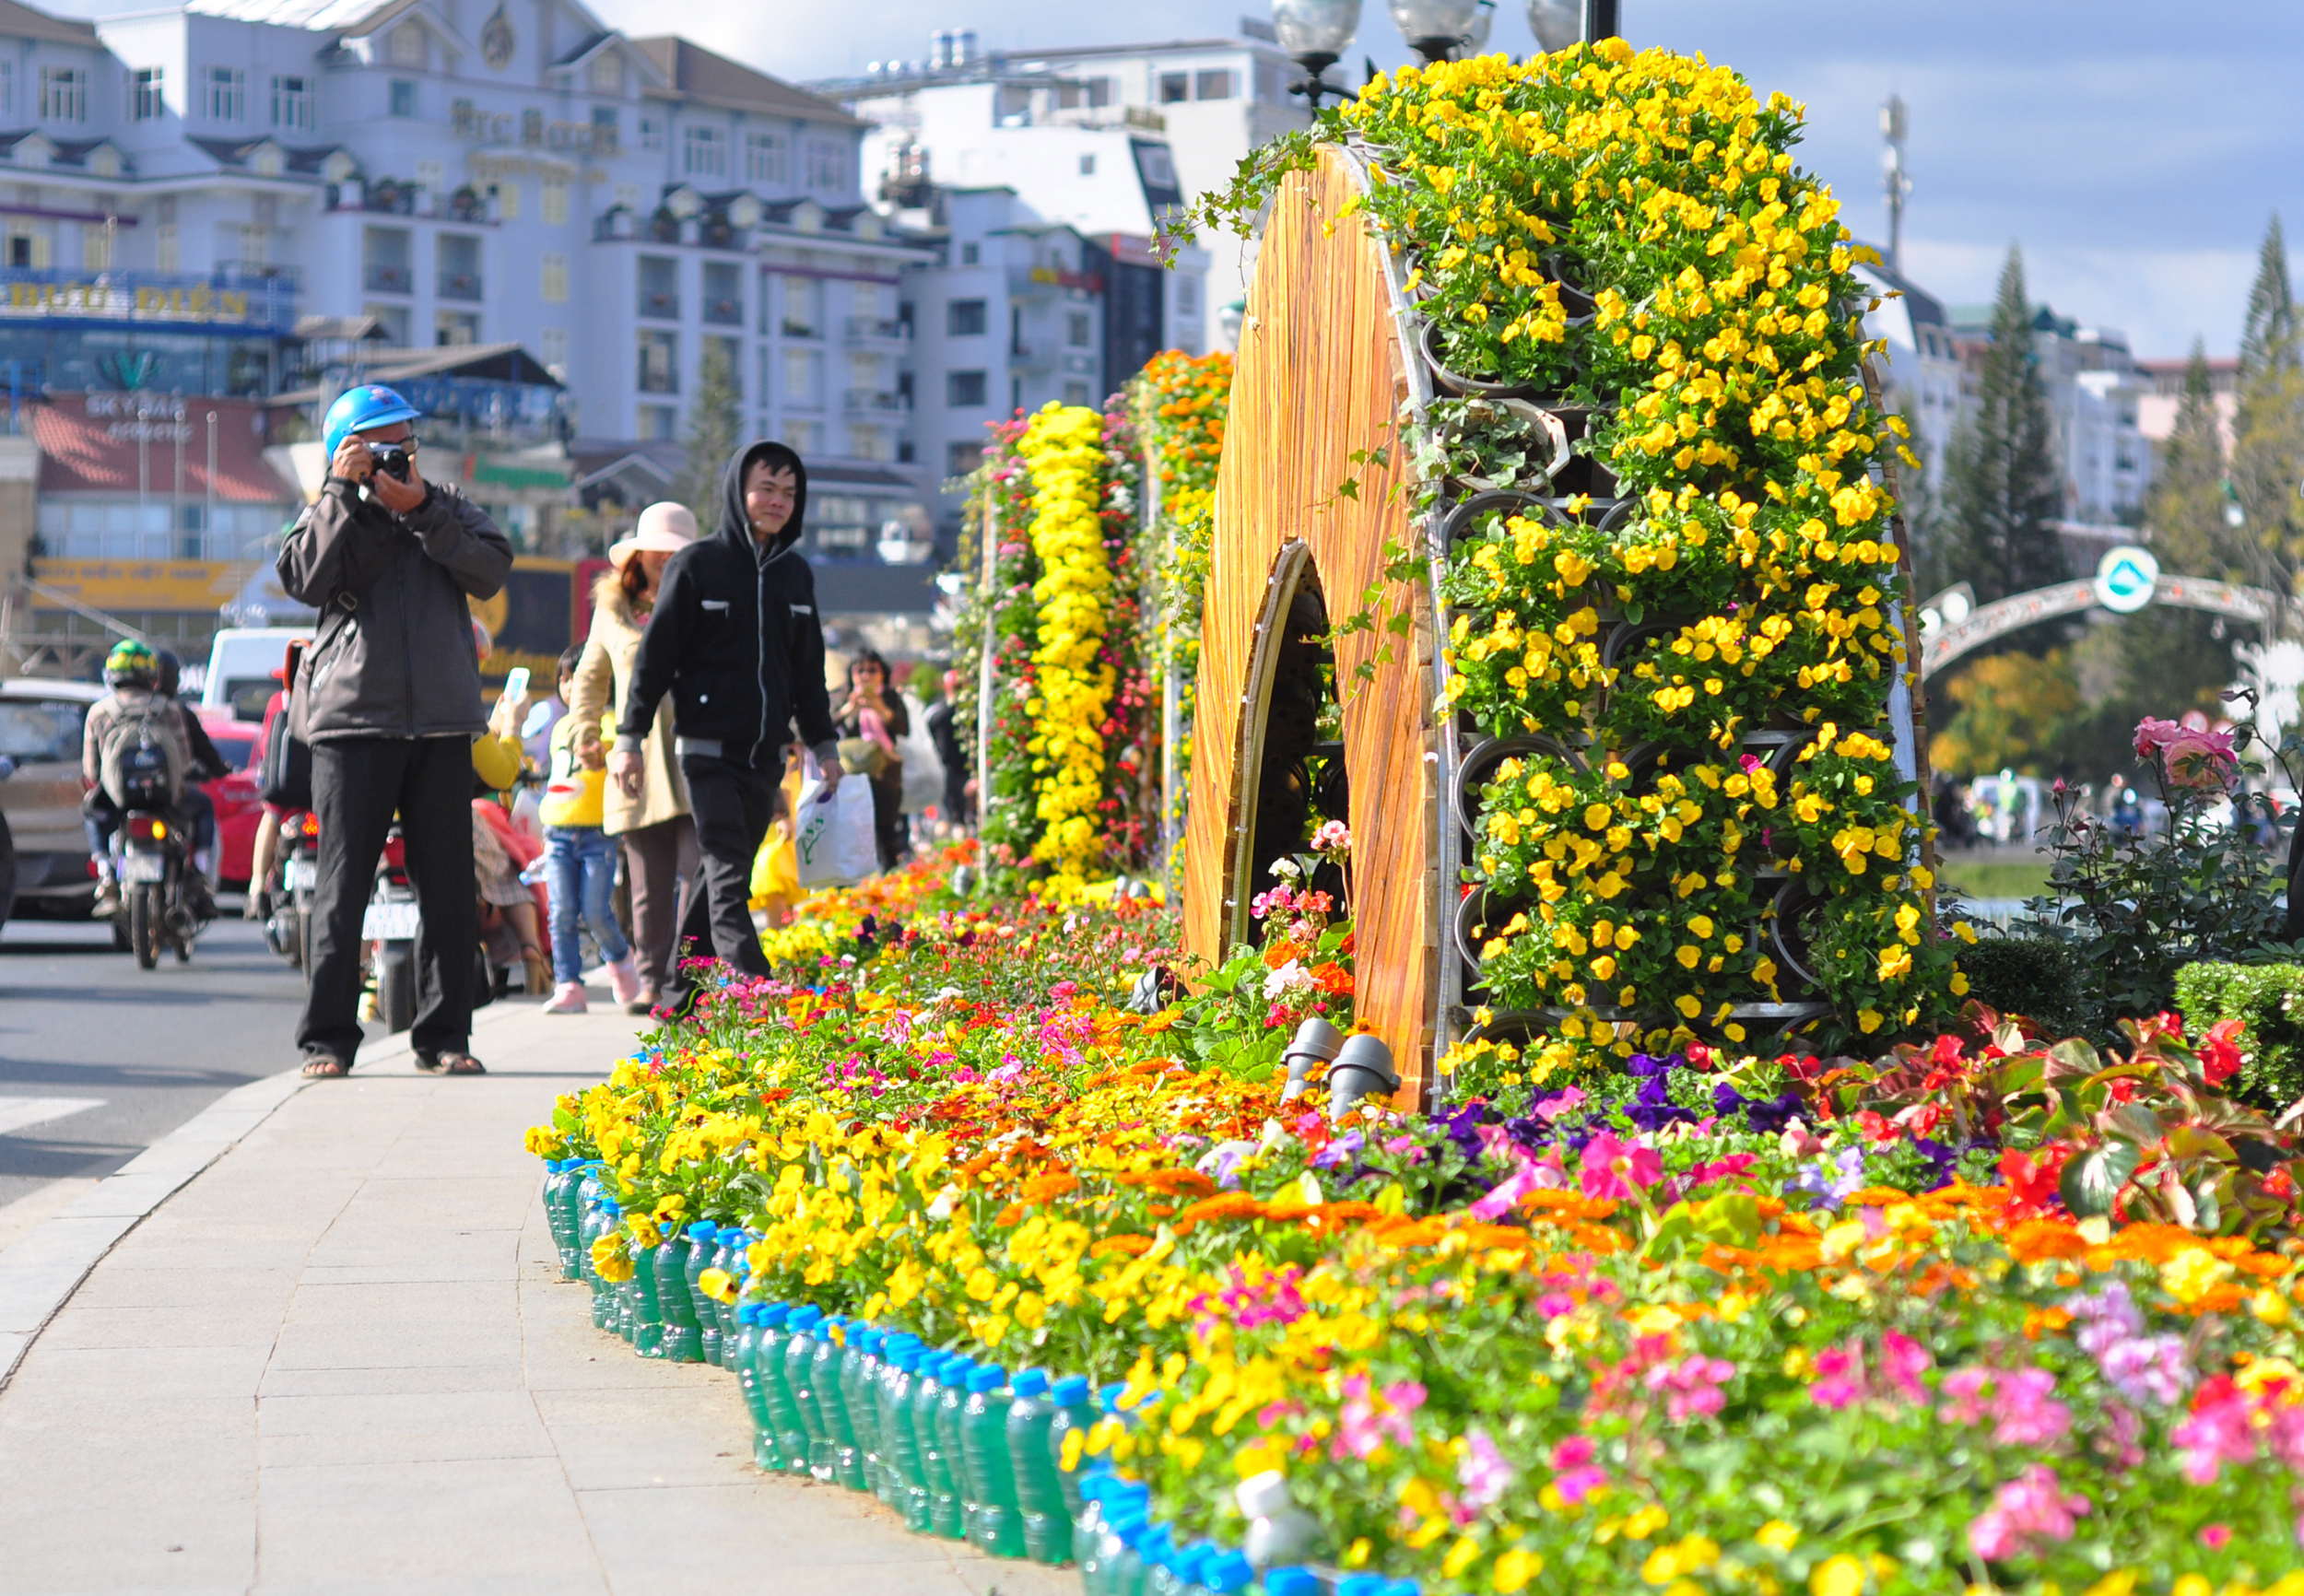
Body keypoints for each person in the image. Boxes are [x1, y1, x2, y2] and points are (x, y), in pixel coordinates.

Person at [276, 382, 513, 1079]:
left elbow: (491, 569)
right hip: (352, 725)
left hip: (442, 724)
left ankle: (445, 1037)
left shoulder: (443, 505)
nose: (396, 451)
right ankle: (327, 1040)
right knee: (342, 885)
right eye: (379, 440)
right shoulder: (329, 509)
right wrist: (342, 497)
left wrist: (423, 511)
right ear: (343, 449)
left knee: (446, 886)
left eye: (404, 438)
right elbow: (303, 579)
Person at [609, 442, 840, 1012]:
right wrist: (629, 741)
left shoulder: (796, 576)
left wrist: (825, 745)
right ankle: (758, 987)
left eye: (789, 493)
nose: (777, 502)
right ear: (738, 491)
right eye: (766, 488)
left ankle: (676, 994)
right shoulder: (698, 565)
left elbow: (808, 672)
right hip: (705, 751)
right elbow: (653, 663)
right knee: (730, 874)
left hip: (766, 756)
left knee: (720, 874)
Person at [568, 502, 699, 1014]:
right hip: (635, 760)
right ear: (638, 553)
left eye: (677, 551)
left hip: (695, 754)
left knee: (698, 873)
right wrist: (585, 733)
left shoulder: (703, 601)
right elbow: (590, 678)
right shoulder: (613, 610)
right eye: (658, 549)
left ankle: (690, 980)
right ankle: (652, 980)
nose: (666, 558)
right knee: (647, 885)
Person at [82, 640, 230, 920]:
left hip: (118, 800)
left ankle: (105, 873)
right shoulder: (169, 708)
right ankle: (198, 870)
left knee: (92, 812)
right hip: (167, 798)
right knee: (204, 807)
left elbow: (91, 770)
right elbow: (184, 760)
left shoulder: (99, 712)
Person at [539, 644, 640, 1014]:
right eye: (564, 680)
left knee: (596, 911)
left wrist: (603, 752)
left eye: (578, 680)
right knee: (562, 911)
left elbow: (614, 756)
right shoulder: (559, 726)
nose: (569, 688)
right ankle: (568, 984)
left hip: (598, 833)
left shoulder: (609, 722)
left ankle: (620, 958)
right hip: (558, 833)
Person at [835, 648, 910, 870]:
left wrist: (880, 708)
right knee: (853, 831)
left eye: (872, 670)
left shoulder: (890, 697)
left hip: (885, 775)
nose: (866, 675)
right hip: (852, 777)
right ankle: (850, 885)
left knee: (886, 830)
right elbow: (825, 727)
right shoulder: (845, 697)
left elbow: (904, 728)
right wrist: (850, 709)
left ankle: (888, 878)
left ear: (882, 673)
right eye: (860, 670)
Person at [925, 667, 971, 831]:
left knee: (959, 817)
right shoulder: (938, 714)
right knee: (947, 817)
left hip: (964, 771)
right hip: (944, 771)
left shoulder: (970, 713)